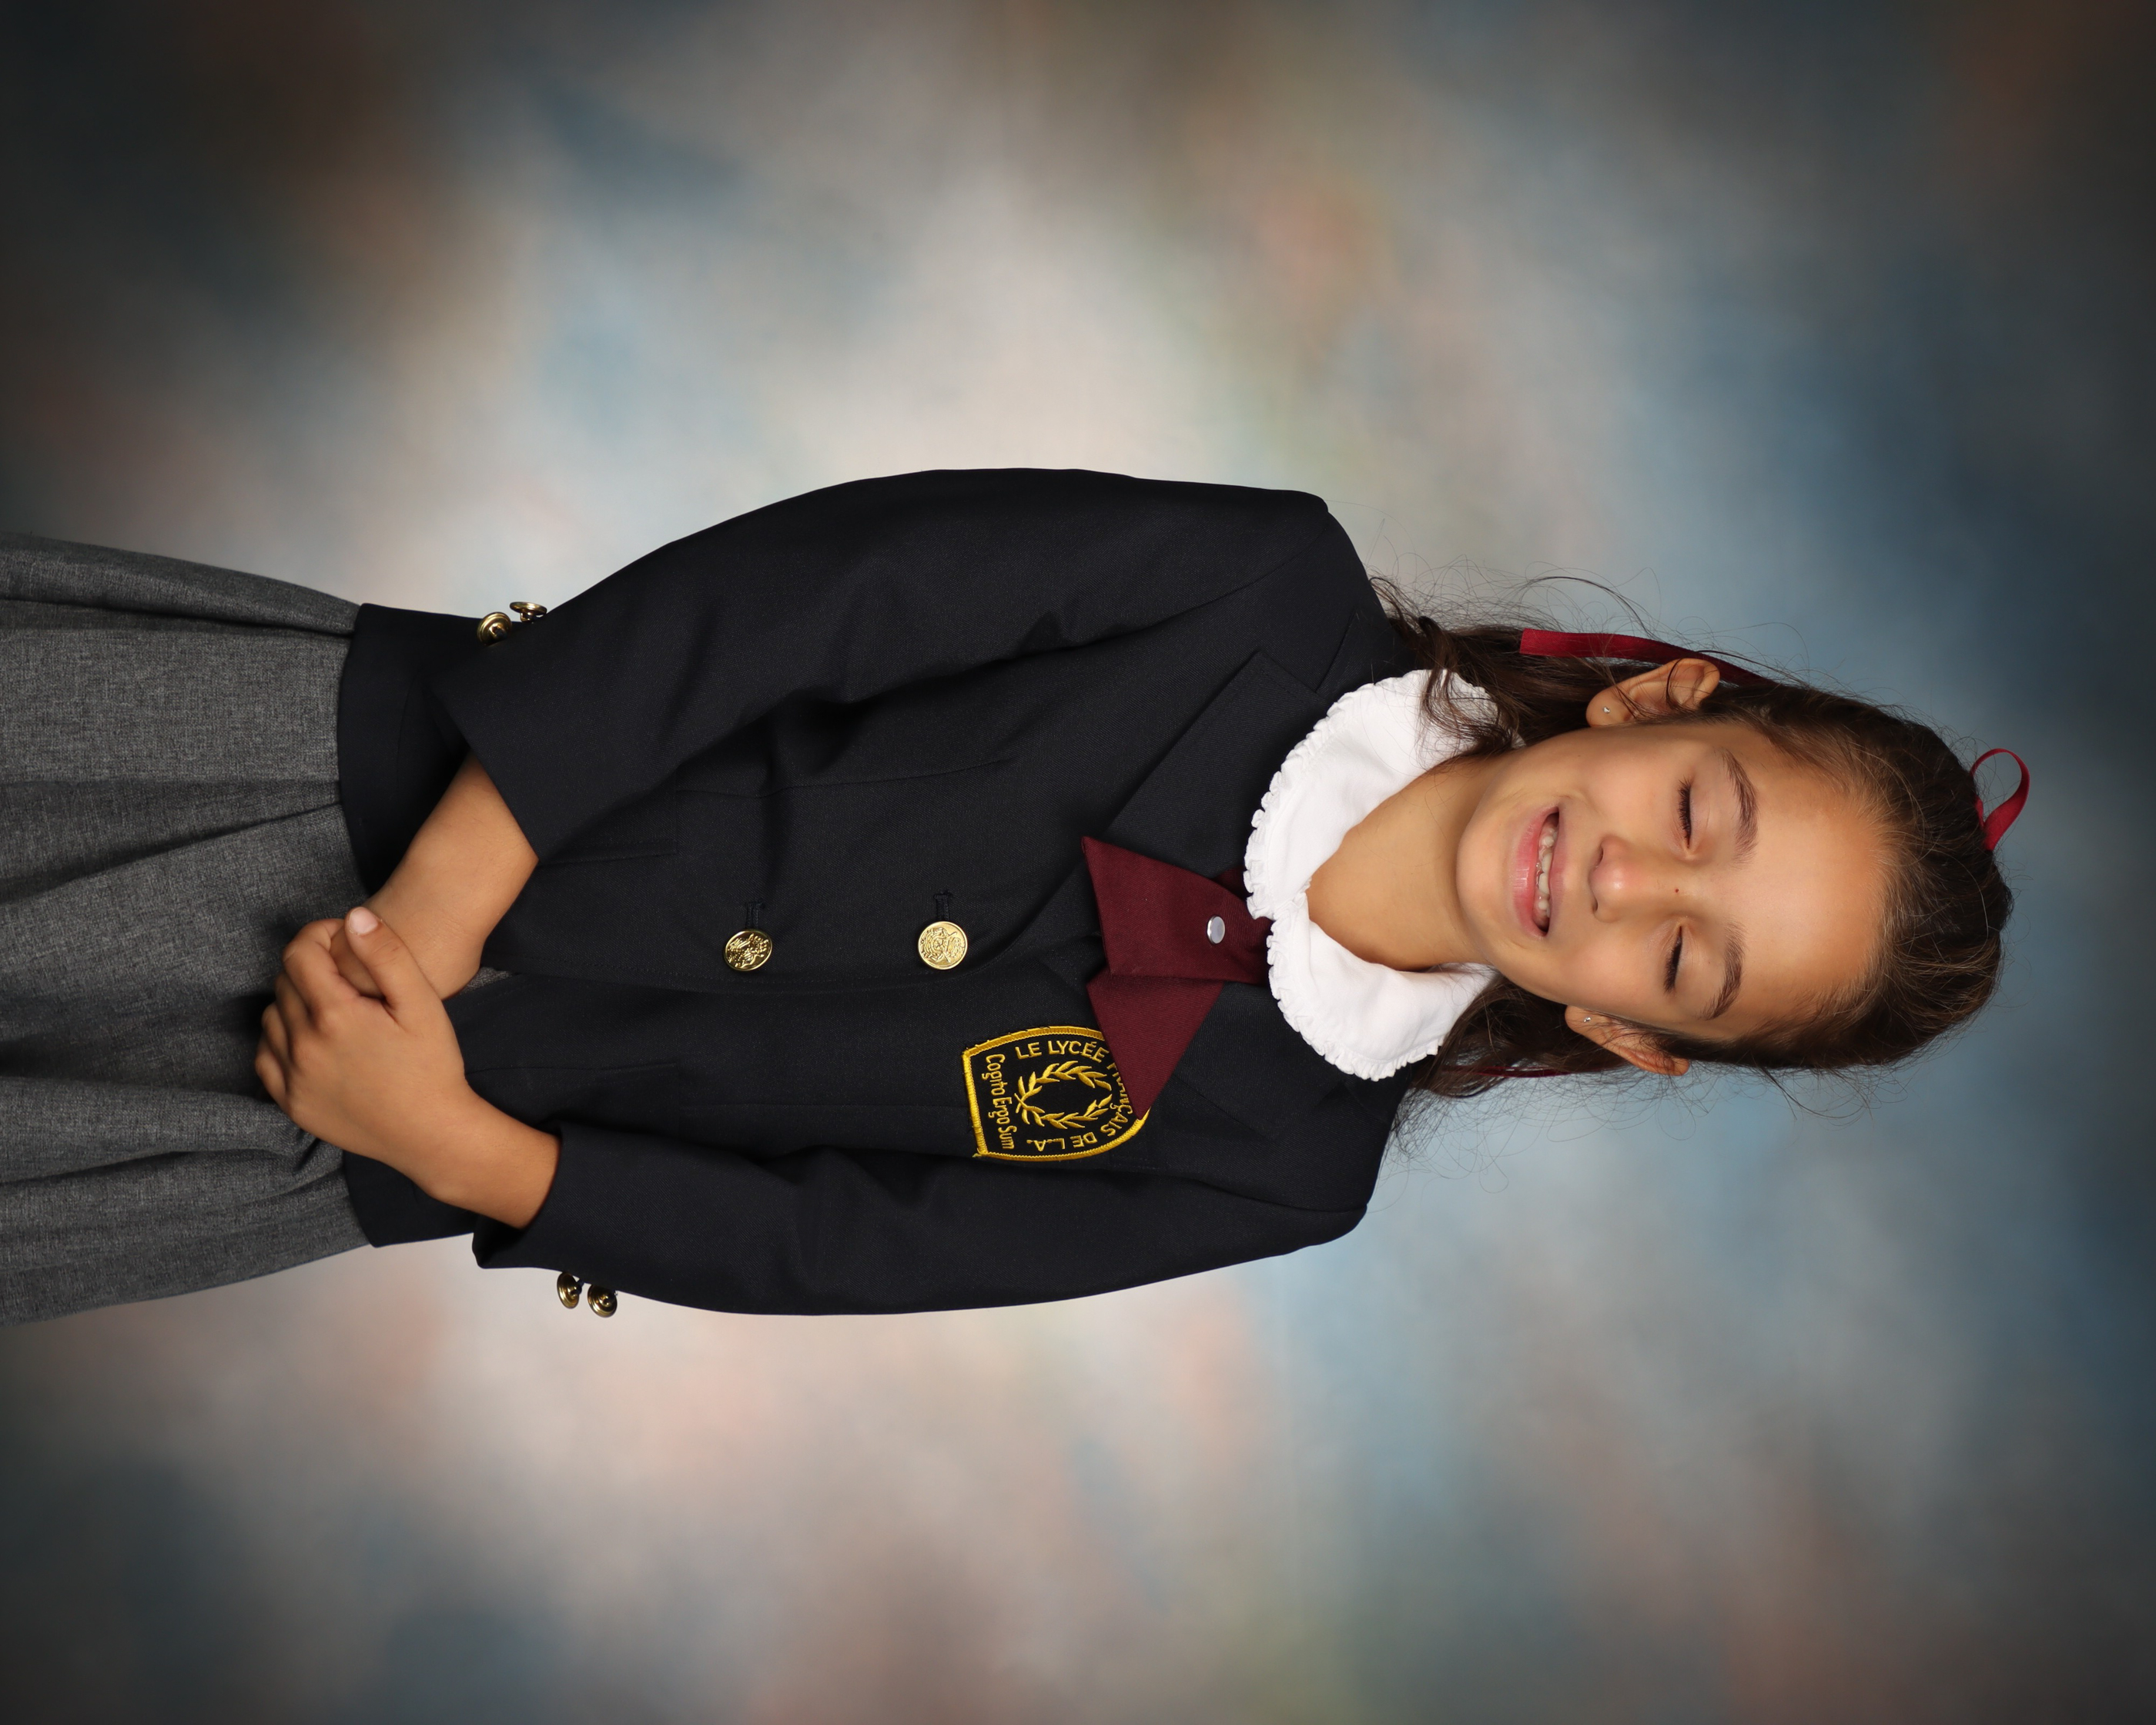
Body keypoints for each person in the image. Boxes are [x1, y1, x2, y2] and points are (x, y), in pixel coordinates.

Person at [0, 468, 2022, 1326]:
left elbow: (844, 1248)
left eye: (1687, 956)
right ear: (1665, 700)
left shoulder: (1284, 1172)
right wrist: (441, 907)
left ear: (1632, 1035)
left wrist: (456, 1148)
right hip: (347, 771)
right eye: (1701, 807)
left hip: (350, 1120)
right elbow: (795, 598)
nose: (1633, 879)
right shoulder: (1258, 589)